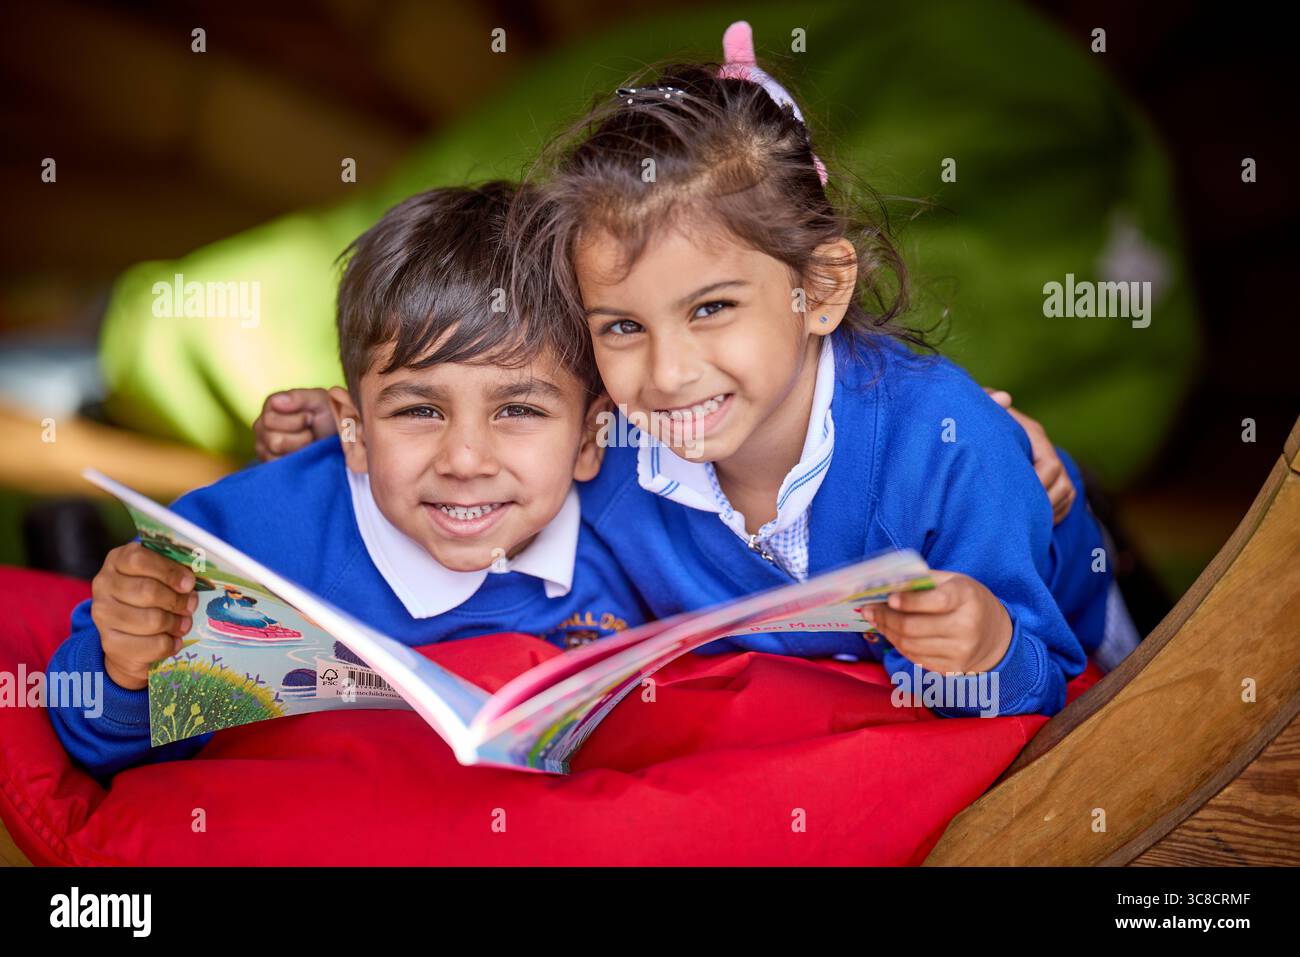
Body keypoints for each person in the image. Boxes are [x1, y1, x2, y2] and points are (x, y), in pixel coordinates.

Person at [47, 183, 648, 780]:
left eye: (518, 411)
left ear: (591, 440)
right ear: (353, 433)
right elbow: (95, 739)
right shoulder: (246, 546)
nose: (466, 461)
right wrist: (124, 668)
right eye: (419, 411)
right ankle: (68, 541)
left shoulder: (639, 532)